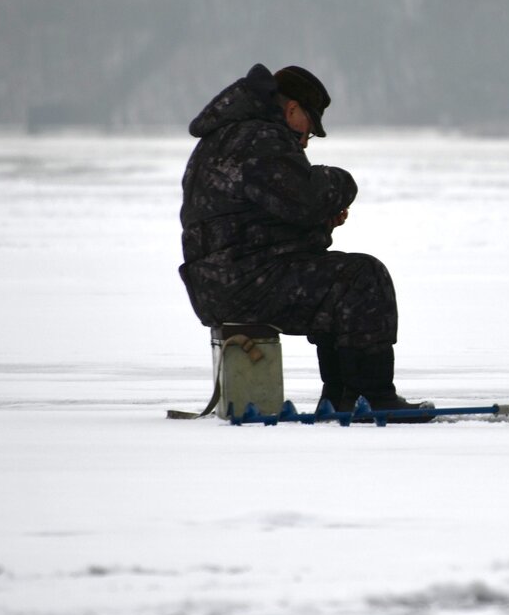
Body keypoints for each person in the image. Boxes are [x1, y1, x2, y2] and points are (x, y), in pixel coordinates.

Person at [178, 63, 430, 415]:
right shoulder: (260, 137)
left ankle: (343, 398)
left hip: (221, 281)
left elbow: (263, 222)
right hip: (243, 283)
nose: (305, 140)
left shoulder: (224, 137)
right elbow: (307, 199)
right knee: (363, 277)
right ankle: (371, 398)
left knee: (338, 281)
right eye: (308, 129)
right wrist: (342, 182)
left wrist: (321, 226)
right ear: (292, 108)